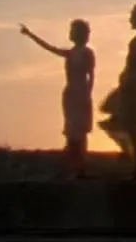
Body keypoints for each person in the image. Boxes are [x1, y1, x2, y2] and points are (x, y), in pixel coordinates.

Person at [19, 19, 95, 178]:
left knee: (80, 131)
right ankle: (74, 167)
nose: (71, 33)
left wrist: (87, 94)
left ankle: (81, 167)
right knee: (71, 131)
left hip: (81, 94)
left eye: (73, 30)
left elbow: (91, 76)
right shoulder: (71, 53)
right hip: (70, 94)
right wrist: (30, 34)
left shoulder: (87, 53)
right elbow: (49, 48)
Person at [98, 1, 136, 178]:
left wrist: (128, 82)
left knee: (135, 124)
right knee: (132, 123)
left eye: (132, 16)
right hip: (134, 82)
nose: (130, 19)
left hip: (135, 84)